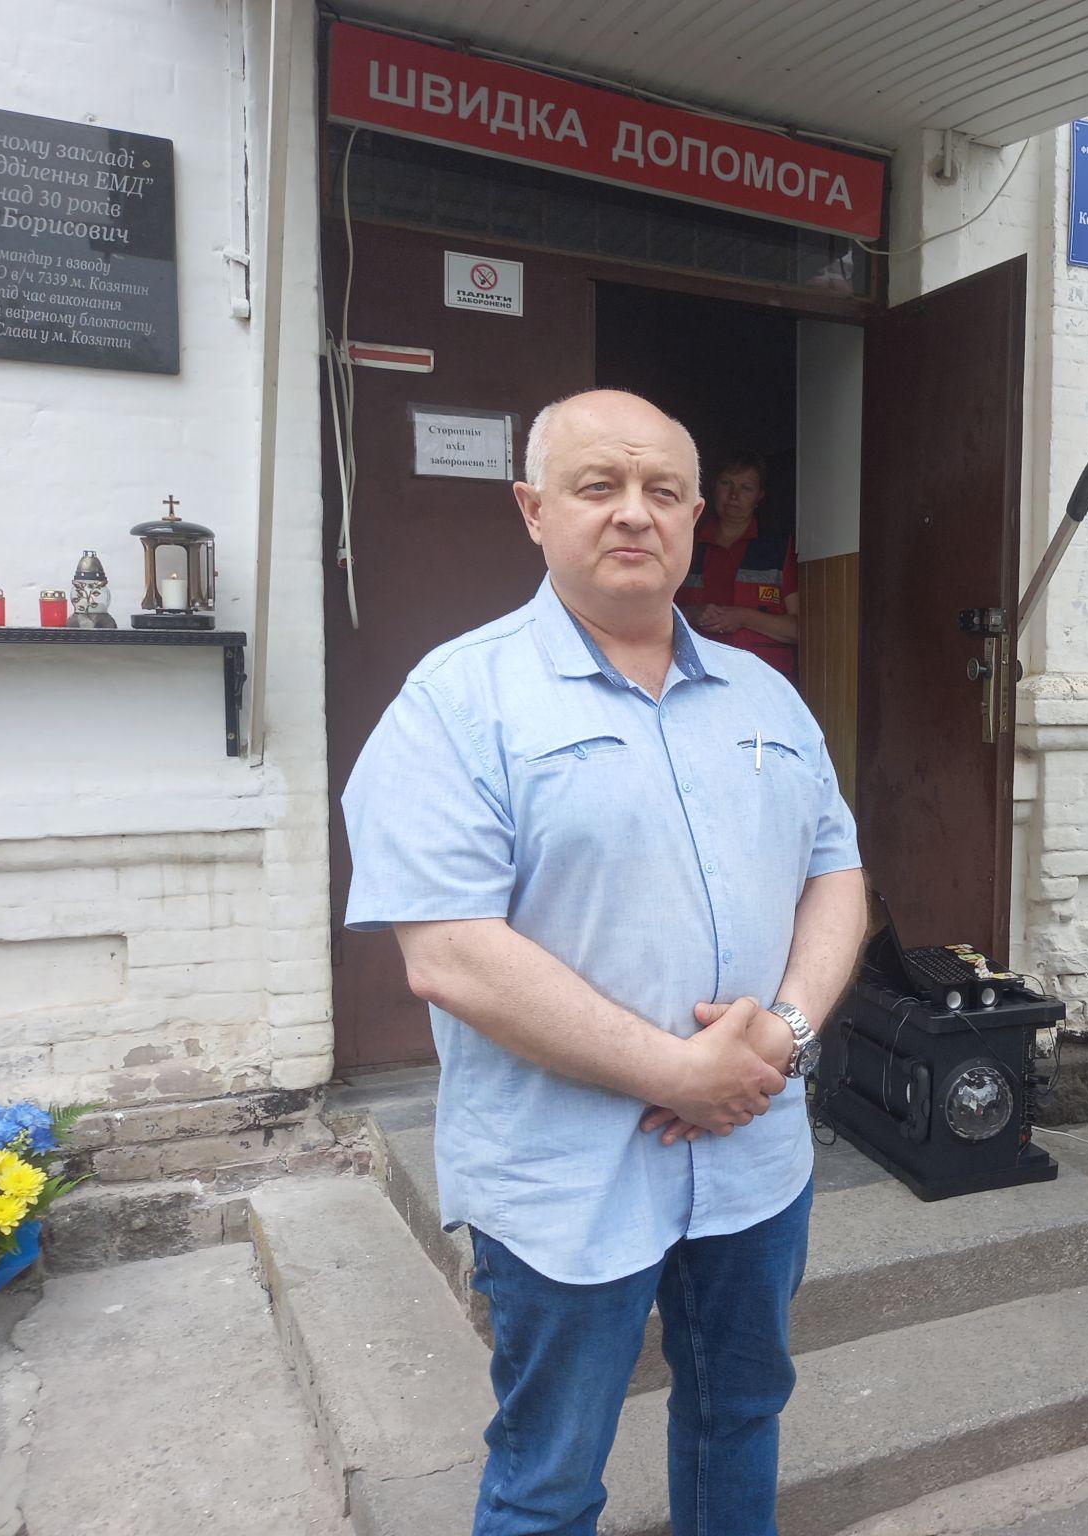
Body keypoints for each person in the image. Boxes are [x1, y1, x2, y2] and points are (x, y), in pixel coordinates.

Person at [340, 390, 867, 1536]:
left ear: (691, 519)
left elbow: (836, 872)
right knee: (548, 1477)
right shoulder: (456, 701)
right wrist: (676, 1073)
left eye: (662, 491)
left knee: (740, 1416)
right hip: (565, 1178)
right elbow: (450, 954)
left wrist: (785, 1032)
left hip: (753, 1158)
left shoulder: (766, 695)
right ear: (533, 509)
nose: (635, 513)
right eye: (599, 486)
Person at [679, 449, 802, 680]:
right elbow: (655, 616)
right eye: (726, 483)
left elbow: (800, 630)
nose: (734, 495)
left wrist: (744, 617)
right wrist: (692, 614)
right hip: (699, 679)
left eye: (746, 488)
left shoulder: (780, 549)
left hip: (763, 681)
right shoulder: (686, 545)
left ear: (760, 496)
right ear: (713, 487)